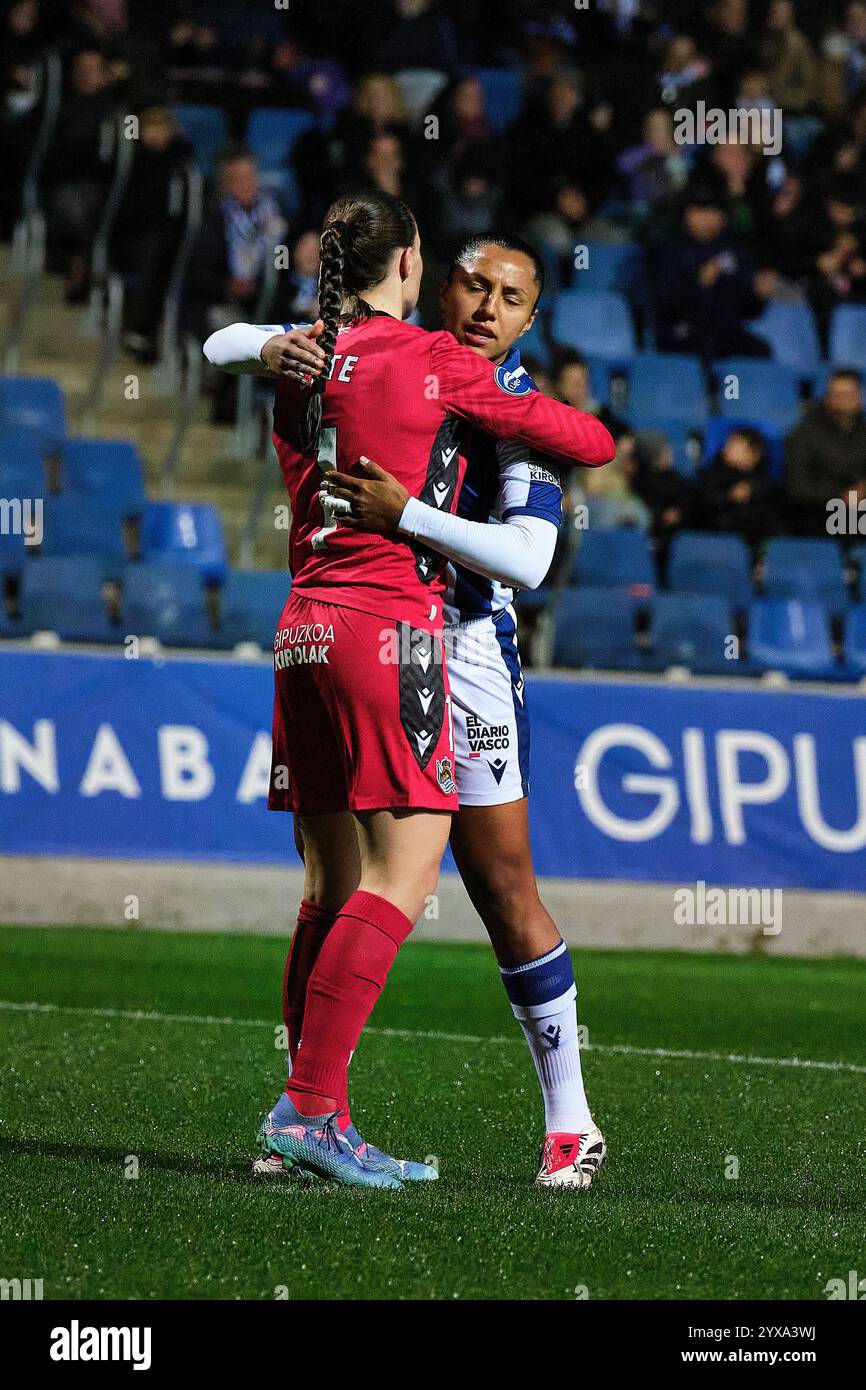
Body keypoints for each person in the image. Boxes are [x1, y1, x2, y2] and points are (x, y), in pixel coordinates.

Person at [204, 192, 615, 1189]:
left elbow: (526, 557)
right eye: (473, 280)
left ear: (528, 318)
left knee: (498, 887)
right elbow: (232, 340)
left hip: (459, 651)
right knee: (371, 878)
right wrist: (270, 343)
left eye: (510, 295)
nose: (486, 303)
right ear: (435, 276)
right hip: (395, 634)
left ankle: (569, 1121)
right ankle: (309, 1109)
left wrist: (411, 514)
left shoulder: (503, 405)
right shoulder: (408, 359)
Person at [785, 370, 866, 534]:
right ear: (828, 397)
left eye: (850, 395)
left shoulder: (863, 430)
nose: (844, 401)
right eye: (838, 395)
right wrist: (841, 495)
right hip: (819, 513)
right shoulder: (805, 432)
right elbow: (798, 487)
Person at [693, 427, 778, 550]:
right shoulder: (711, 474)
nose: (726, 448)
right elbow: (702, 502)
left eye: (734, 444)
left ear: (754, 453)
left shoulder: (764, 483)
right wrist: (730, 496)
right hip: (714, 543)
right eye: (728, 443)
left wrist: (752, 492)